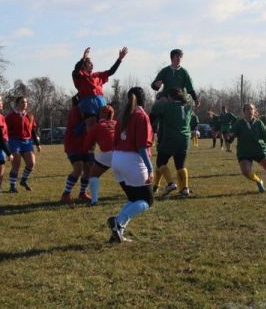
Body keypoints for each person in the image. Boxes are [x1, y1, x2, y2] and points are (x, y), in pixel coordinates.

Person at [107, 87, 154, 243]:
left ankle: (118, 231)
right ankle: (118, 221)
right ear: (144, 99)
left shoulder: (123, 116)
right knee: (147, 201)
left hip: (116, 159)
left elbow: (115, 141)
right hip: (132, 160)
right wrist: (150, 168)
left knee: (134, 198)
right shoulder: (142, 116)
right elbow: (142, 147)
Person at [151, 86, 192, 198]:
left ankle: (170, 183)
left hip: (170, 138)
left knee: (160, 163)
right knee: (180, 164)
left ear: (169, 97)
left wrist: (160, 101)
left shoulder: (167, 106)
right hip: (185, 139)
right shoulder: (187, 107)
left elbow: (154, 110)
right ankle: (185, 189)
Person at [72, 46, 128, 129]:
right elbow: (76, 70)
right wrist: (83, 58)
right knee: (91, 126)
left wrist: (119, 59)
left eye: (92, 63)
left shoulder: (97, 75)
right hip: (88, 105)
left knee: (105, 126)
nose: (92, 65)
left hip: (101, 104)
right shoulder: (80, 75)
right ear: (83, 66)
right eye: (89, 63)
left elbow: (110, 71)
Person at [225, 103, 266, 193]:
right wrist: (229, 137)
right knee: (245, 171)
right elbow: (231, 136)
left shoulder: (259, 123)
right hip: (244, 152)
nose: (250, 111)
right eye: (247, 109)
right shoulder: (239, 123)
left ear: (254, 111)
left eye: (251, 109)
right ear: (244, 112)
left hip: (259, 150)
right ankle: (259, 181)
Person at [60, 95, 92, 207]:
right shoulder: (75, 111)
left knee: (88, 168)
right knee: (78, 168)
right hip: (73, 144)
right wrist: (86, 121)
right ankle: (66, 194)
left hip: (84, 145)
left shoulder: (89, 111)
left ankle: (82, 193)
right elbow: (76, 131)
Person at [82, 105, 117, 206]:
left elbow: (86, 145)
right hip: (122, 154)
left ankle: (94, 201)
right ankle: (135, 197)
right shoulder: (117, 123)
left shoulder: (97, 126)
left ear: (101, 114)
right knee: (125, 177)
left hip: (107, 154)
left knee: (93, 175)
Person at [5, 96, 41, 192]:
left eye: (26, 102)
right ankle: (12, 186)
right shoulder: (11, 116)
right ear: (17, 104)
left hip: (27, 142)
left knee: (31, 163)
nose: (25, 104)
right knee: (16, 165)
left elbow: (32, 131)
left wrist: (37, 144)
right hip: (14, 141)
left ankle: (23, 181)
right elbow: (4, 130)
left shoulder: (30, 116)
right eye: (22, 102)